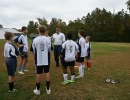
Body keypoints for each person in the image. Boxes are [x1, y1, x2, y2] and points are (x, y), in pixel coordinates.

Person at [32, 25, 51, 95]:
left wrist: (34, 60)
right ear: (45, 31)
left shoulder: (35, 40)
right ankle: (48, 89)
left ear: (39, 30)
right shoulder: (47, 39)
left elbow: (34, 51)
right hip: (46, 59)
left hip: (39, 60)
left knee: (39, 74)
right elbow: (49, 50)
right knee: (47, 73)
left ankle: (38, 90)